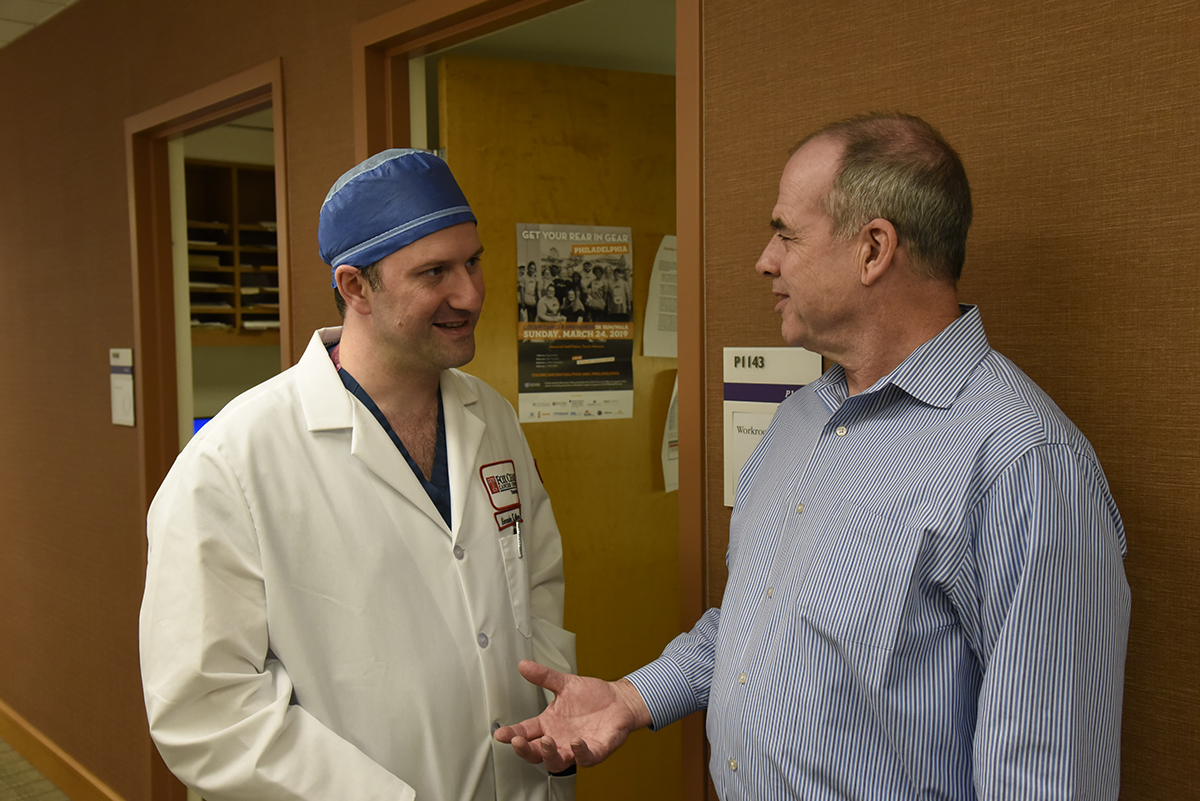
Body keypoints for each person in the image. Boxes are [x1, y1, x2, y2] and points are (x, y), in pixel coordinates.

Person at [495, 113, 1131, 799]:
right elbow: (756, 621)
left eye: (786, 233)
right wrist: (630, 696)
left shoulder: (1023, 463)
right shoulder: (802, 419)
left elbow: (1047, 776)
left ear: (873, 249)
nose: (765, 259)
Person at [140, 149, 577, 801]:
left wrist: (553, 709)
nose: (470, 292)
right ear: (354, 287)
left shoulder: (492, 418)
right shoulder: (234, 462)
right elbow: (205, 710)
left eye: (473, 261)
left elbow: (536, 581)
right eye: (435, 272)